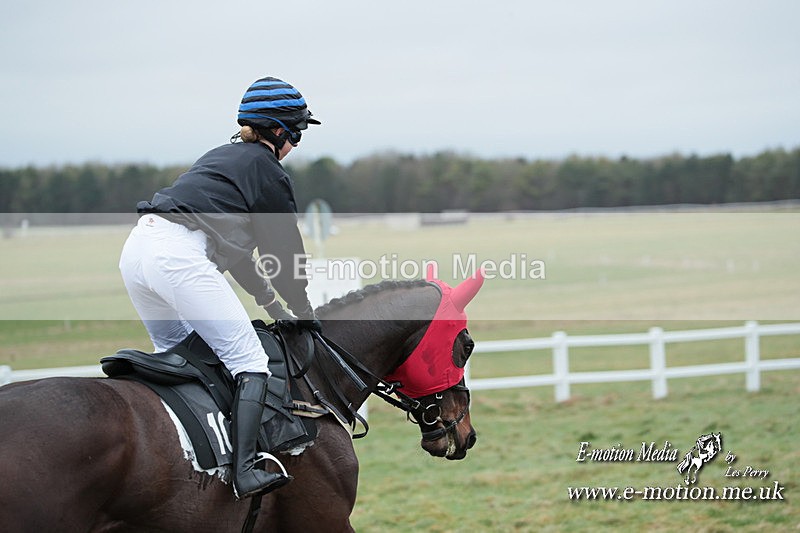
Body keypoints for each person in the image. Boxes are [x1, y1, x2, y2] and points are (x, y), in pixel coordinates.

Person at [118, 76, 322, 499]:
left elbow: (241, 254)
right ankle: (244, 470)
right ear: (280, 130)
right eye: (297, 133)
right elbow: (285, 250)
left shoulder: (223, 157)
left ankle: (181, 452)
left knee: (183, 355)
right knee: (249, 361)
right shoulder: (268, 170)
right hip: (177, 257)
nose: (297, 144)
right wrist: (302, 308)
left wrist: (269, 301)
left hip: (138, 250)